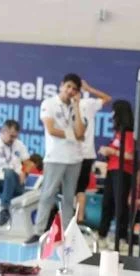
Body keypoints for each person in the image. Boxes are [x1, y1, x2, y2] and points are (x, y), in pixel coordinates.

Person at [26, 73, 86, 244]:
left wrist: (76, 106)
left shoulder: (77, 107)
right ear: (61, 86)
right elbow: (51, 130)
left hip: (74, 159)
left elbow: (81, 132)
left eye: (74, 89)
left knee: (68, 197)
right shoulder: (49, 103)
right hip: (55, 157)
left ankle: (67, 234)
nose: (70, 91)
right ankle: (38, 231)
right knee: (48, 194)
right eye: (68, 86)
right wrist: (73, 134)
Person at [97, 100, 135, 247]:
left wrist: (111, 151)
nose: (112, 115)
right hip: (112, 170)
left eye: (113, 112)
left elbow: (130, 155)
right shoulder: (117, 134)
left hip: (123, 172)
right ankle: (102, 235)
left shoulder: (129, 134)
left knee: (120, 205)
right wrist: (107, 152)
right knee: (107, 203)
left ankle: (121, 237)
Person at [76, 80, 112, 223]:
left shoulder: (87, 103)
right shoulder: (62, 106)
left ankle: (79, 219)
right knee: (70, 189)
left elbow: (107, 98)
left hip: (85, 154)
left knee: (80, 189)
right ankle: (68, 219)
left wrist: (90, 89)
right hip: (69, 154)